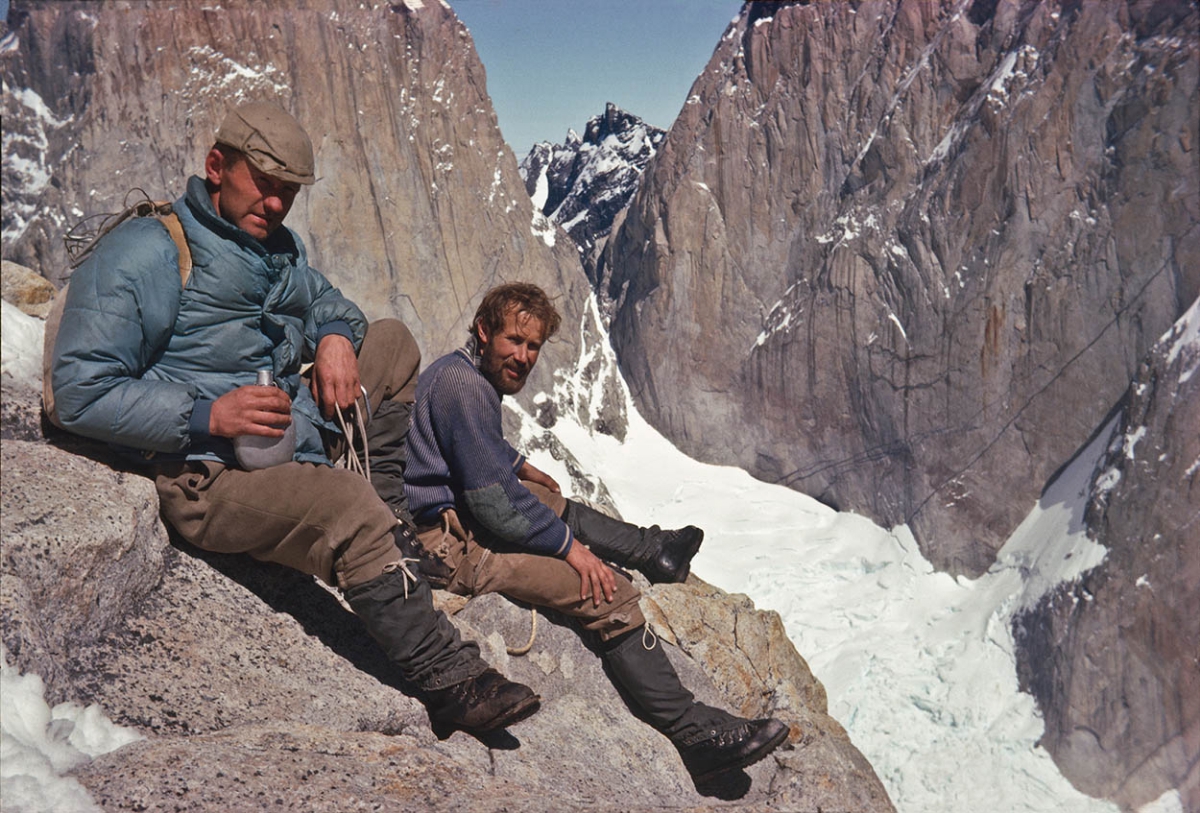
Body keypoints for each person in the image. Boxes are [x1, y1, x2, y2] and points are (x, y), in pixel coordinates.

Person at [50, 100, 540, 735]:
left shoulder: (274, 249)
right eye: (265, 184)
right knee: (346, 507)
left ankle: (387, 525)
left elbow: (328, 303)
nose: (276, 204)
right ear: (217, 166)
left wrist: (335, 336)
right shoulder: (147, 252)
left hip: (283, 435)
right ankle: (453, 683)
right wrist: (206, 416)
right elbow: (80, 391)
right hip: (206, 474)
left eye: (288, 192)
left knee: (391, 342)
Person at [402, 282, 790, 782]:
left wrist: (516, 463)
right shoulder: (466, 387)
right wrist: (575, 553)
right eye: (514, 341)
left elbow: (465, 445)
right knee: (606, 589)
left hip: (450, 518)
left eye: (533, 346)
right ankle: (694, 733)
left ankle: (654, 551)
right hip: (450, 548)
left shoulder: (458, 372)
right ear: (483, 330)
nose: (523, 356)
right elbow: (495, 507)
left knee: (547, 500)